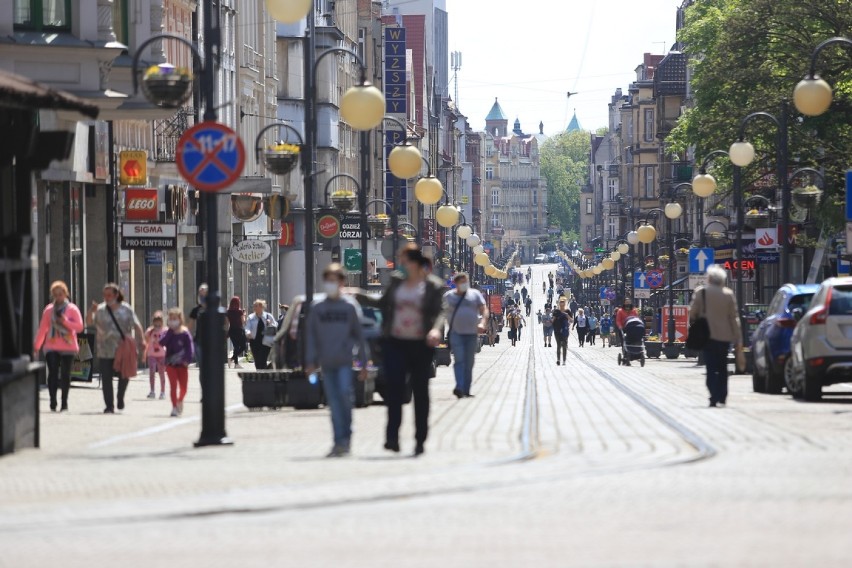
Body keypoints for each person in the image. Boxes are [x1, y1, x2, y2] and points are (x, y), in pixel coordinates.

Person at [356, 244, 444, 457]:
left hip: (421, 344)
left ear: (413, 262)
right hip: (395, 342)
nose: (400, 265)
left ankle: (420, 440)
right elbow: (383, 303)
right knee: (395, 391)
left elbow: (440, 312)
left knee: (420, 393)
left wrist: (435, 330)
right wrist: (358, 294)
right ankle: (392, 437)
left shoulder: (433, 285)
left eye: (403, 261)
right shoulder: (396, 281)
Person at [306, 264, 369, 458]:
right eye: (328, 280)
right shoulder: (318, 308)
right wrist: (310, 361)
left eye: (334, 280)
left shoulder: (349, 307)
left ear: (341, 282)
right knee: (333, 403)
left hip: (344, 361)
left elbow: (359, 335)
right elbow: (311, 336)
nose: (330, 284)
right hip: (326, 362)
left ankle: (346, 438)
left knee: (344, 396)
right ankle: (338, 442)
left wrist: (364, 363)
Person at [86, 283, 146, 414]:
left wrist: (142, 340)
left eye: (109, 295)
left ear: (116, 295)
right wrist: (91, 310)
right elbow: (89, 322)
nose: (106, 297)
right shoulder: (100, 309)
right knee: (106, 378)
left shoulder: (126, 309)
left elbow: (137, 325)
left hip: (122, 348)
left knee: (124, 375)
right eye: (105, 295)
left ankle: (120, 397)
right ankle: (109, 405)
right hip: (104, 350)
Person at [689, 264, 743, 408]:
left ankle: (713, 395)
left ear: (710, 278)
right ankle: (723, 396)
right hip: (725, 337)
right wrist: (738, 337)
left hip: (708, 336)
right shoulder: (728, 294)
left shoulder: (702, 292)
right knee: (723, 367)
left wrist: (695, 324)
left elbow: (692, 313)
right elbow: (734, 317)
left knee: (711, 367)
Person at [34, 281, 84, 412]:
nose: (58, 297)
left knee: (66, 374)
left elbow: (79, 327)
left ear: (65, 294)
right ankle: (53, 400)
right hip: (52, 345)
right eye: (55, 294)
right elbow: (43, 328)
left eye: (60, 294)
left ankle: (64, 402)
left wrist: (65, 322)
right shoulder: (49, 310)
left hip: (68, 345)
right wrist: (37, 345)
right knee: (53, 372)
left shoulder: (72, 309)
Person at [443, 272, 488, 399]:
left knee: (469, 362)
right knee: (459, 360)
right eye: (462, 282)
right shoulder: (449, 296)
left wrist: (483, 323)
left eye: (466, 281)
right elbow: (441, 312)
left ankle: (466, 389)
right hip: (456, 333)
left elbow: (484, 309)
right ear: (456, 283)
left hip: (472, 334)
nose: (464, 284)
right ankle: (459, 387)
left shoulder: (475, 294)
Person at [159, 308, 195, 417]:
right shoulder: (168, 332)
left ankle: (180, 400)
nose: (172, 321)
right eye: (170, 318)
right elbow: (162, 342)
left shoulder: (185, 333)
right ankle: (174, 407)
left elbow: (190, 348)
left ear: (180, 319)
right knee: (173, 386)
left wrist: (187, 360)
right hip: (171, 365)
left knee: (183, 388)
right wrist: (170, 331)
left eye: (174, 319)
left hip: (182, 365)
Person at [245, 299, 277, 370]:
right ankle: (259, 374)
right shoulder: (251, 317)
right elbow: (247, 327)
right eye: (254, 306)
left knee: (263, 359)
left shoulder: (268, 316)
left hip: (266, 341)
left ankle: (263, 375)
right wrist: (248, 332)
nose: (254, 307)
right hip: (254, 341)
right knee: (257, 360)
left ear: (261, 307)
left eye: (256, 306)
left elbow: (275, 326)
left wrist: (270, 323)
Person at [144, 311, 167, 399]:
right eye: (156, 323)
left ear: (162, 322)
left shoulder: (165, 330)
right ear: (153, 322)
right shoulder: (150, 331)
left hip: (162, 355)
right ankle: (152, 391)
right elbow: (145, 339)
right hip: (152, 354)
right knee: (152, 372)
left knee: (161, 373)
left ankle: (162, 392)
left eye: (159, 322)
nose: (157, 325)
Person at [187, 283, 208, 366]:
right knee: (202, 365)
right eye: (200, 294)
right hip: (199, 340)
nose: (202, 296)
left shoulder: (213, 309)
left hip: (211, 341)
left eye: (204, 294)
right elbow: (190, 326)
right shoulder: (196, 310)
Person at [226, 296, 247, 369]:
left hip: (232, 331)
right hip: (239, 330)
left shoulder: (228, 312)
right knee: (243, 346)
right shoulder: (240, 311)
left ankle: (236, 364)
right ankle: (232, 359)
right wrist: (244, 314)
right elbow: (243, 321)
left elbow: (227, 323)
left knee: (236, 347)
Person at [552, 297, 573, 365]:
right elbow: (553, 320)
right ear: (559, 303)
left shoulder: (567, 311)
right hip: (557, 331)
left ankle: (564, 360)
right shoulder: (556, 311)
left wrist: (567, 316)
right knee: (558, 345)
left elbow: (571, 320)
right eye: (561, 302)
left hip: (565, 331)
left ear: (565, 303)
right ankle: (558, 359)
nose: (562, 303)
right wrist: (552, 319)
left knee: (564, 345)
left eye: (563, 302)